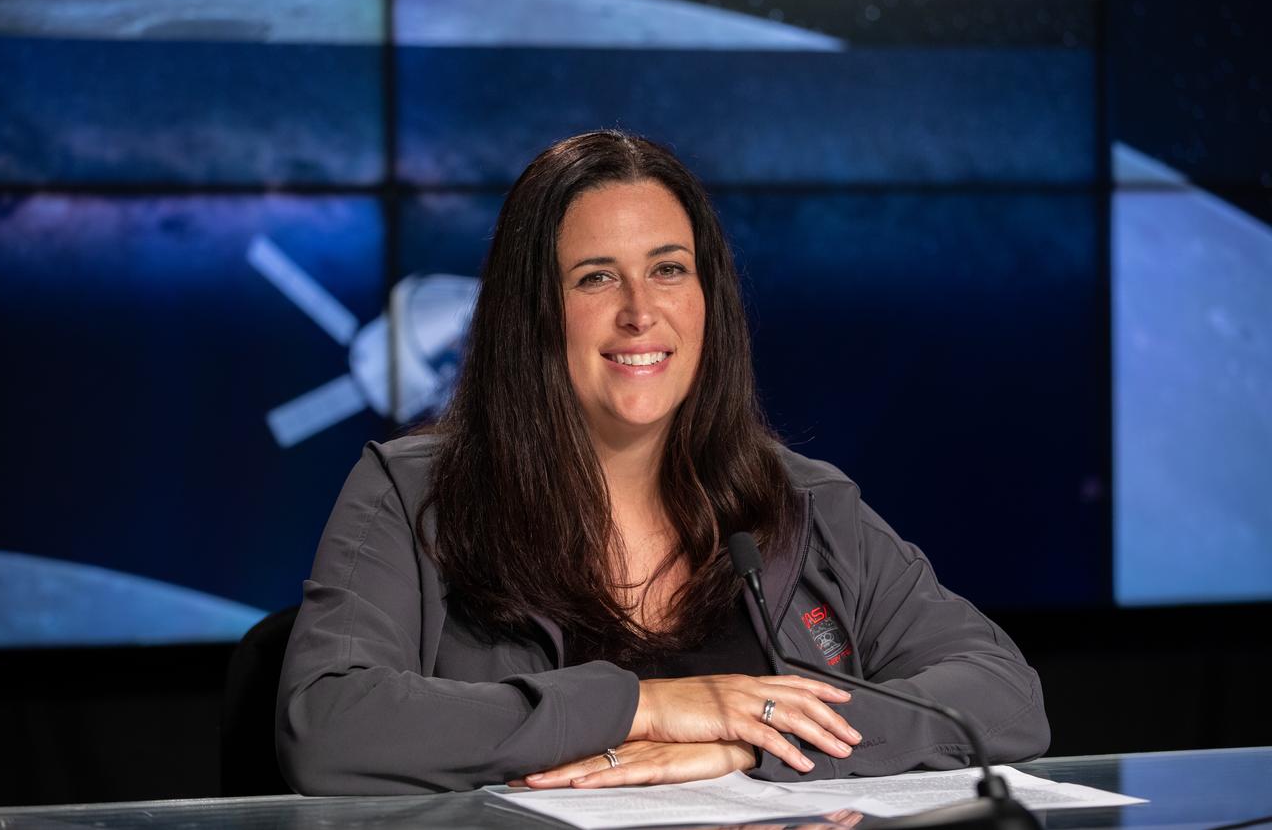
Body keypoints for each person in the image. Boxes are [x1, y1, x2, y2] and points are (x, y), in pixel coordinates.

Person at [275, 130, 1049, 795]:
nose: (640, 310)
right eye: (597, 276)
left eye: (670, 268)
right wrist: (648, 706)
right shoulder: (412, 492)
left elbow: (1006, 698)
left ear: (708, 297)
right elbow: (332, 725)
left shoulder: (799, 501)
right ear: (532, 312)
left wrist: (755, 741)